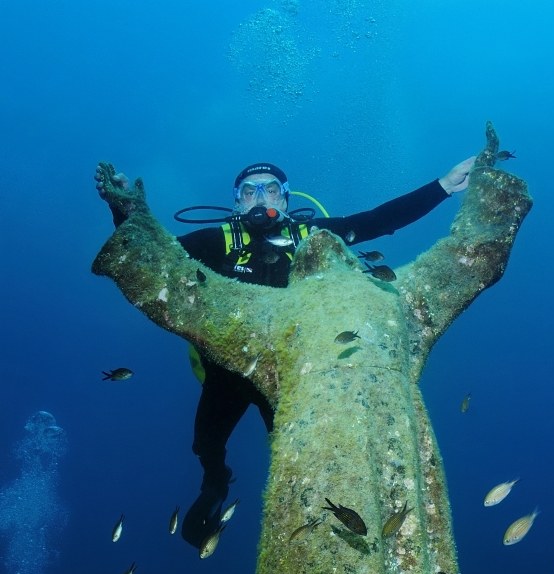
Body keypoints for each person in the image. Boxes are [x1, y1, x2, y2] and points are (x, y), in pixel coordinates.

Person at [95, 154, 476, 548]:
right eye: (250, 191)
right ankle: (215, 483)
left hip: (289, 373)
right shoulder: (216, 241)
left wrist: (444, 185)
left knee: (295, 449)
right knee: (205, 443)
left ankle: (314, 515)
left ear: (288, 198)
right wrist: (123, 208)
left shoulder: (310, 237)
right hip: (225, 372)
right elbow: (155, 258)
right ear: (236, 202)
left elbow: (375, 221)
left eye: (271, 189)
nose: (260, 198)